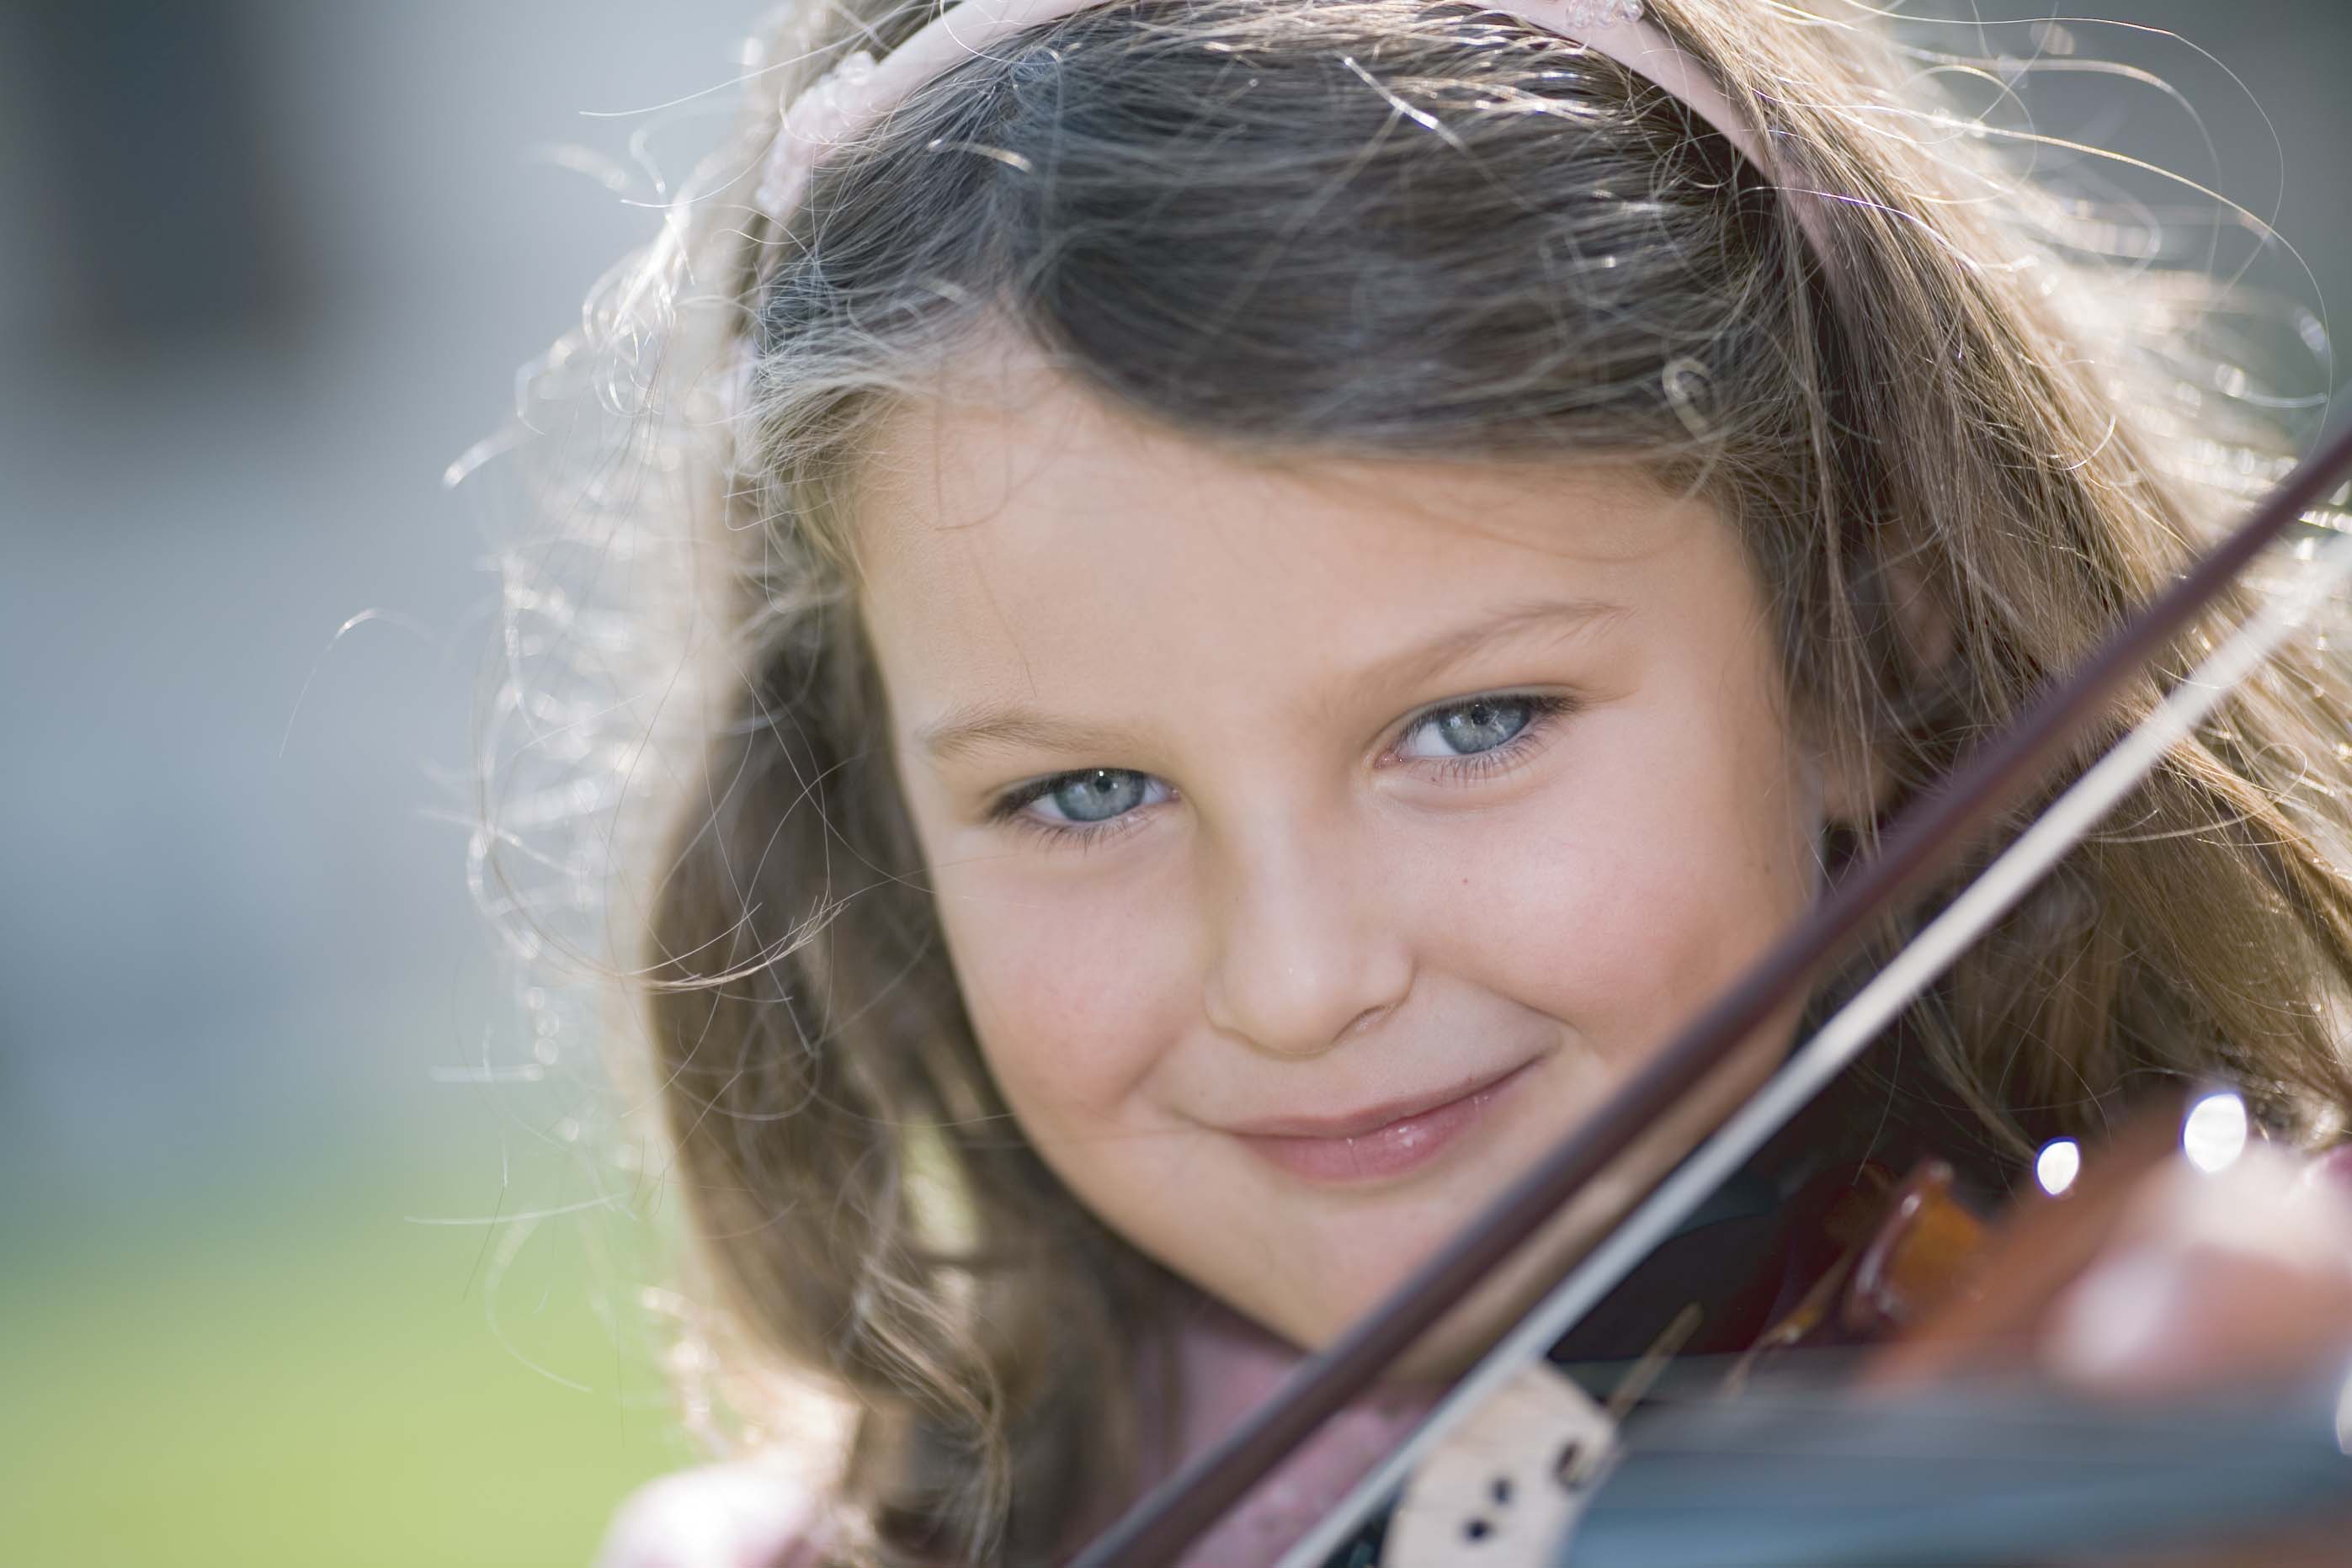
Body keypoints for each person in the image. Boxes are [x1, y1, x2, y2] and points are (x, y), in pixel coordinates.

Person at [469, 1, 2352, 1563]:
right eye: (1082, 793)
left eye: (1465, 725)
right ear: (873, 813)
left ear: (1858, 641)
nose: (1294, 980)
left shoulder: (2183, 1380)